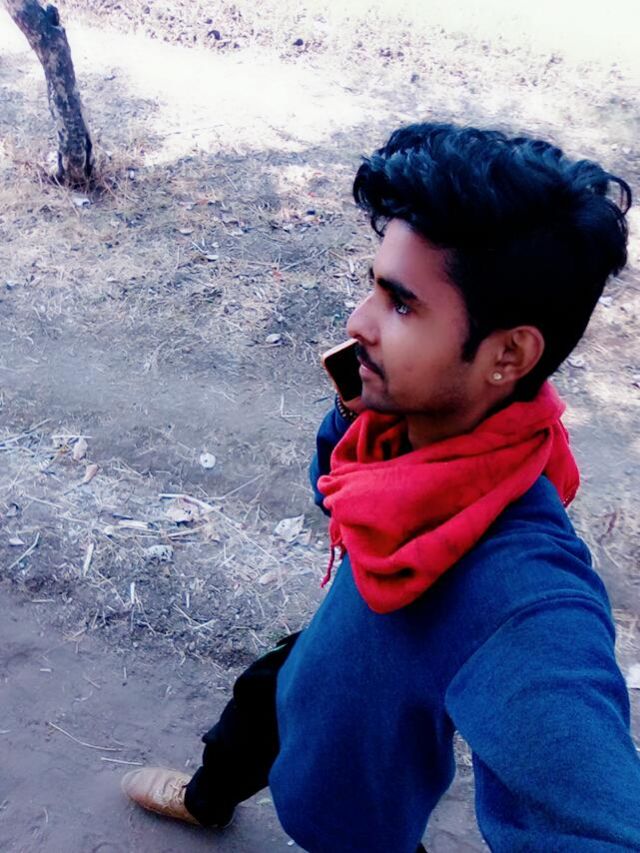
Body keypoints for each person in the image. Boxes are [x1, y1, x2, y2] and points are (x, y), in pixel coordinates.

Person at [121, 123, 640, 851]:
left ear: (509, 354)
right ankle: (206, 800)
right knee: (262, 700)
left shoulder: (526, 602)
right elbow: (334, 488)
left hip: (356, 821)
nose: (356, 320)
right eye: (374, 284)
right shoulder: (411, 422)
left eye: (401, 303)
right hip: (333, 653)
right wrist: (352, 407)